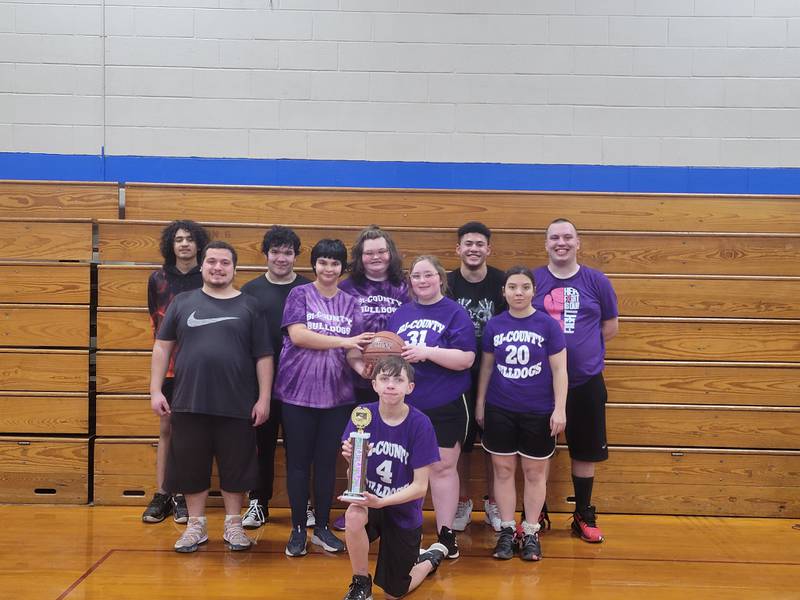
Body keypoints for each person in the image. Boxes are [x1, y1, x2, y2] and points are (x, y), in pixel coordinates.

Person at [150, 241, 274, 553]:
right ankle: (196, 526)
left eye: (225, 263)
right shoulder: (182, 302)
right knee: (191, 466)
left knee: (236, 467)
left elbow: (263, 356)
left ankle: (234, 525)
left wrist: (264, 398)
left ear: (235, 269)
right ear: (203, 266)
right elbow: (162, 347)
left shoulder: (250, 305)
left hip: (237, 403)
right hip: (189, 400)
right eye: (212, 262)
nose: (218, 268)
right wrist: (154, 390)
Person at [274, 239, 373, 557]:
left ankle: (323, 528)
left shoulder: (350, 303)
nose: (328, 268)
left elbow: (353, 353)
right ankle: (298, 529)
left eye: (334, 263)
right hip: (297, 394)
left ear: (342, 268)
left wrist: (365, 369)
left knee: (328, 465)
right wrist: (346, 340)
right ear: (314, 265)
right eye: (322, 262)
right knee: (299, 464)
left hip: (338, 397)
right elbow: (299, 335)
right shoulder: (299, 294)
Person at [533, 218, 619, 543]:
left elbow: (610, 327)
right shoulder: (534, 280)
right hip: (538, 383)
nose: (561, 242)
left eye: (568, 237)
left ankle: (582, 514)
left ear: (578, 242)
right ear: (546, 244)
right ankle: (536, 513)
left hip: (585, 382)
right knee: (537, 451)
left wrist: (583, 352)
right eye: (554, 237)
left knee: (584, 452)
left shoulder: (597, 281)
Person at [475, 267, 567, 561]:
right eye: (512, 287)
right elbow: (486, 368)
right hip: (500, 408)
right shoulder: (494, 325)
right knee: (502, 470)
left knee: (534, 471)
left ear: (533, 291)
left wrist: (560, 408)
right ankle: (505, 529)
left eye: (524, 287)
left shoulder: (548, 325)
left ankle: (530, 531)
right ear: (504, 291)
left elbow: (559, 370)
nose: (518, 292)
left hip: (538, 410)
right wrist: (480, 403)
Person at [387, 255, 475, 559]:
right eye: (416, 276)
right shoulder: (401, 314)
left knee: (442, 468)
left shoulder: (455, 313)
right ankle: (404, 532)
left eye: (428, 275)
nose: (421, 281)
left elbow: (466, 359)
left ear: (440, 278)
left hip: (446, 400)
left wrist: (428, 352)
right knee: (406, 468)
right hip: (406, 404)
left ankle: (446, 536)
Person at [340, 356, 448, 600]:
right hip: (371, 500)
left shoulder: (420, 424)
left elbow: (421, 487)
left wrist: (382, 502)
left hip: (403, 509)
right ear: (375, 384)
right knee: (354, 515)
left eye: (398, 379)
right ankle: (360, 583)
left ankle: (430, 559)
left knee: (394, 594)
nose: (390, 385)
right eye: (384, 379)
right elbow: (353, 479)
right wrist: (352, 462)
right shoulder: (362, 416)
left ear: (409, 387)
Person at [334, 225, 410, 531]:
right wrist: (359, 367)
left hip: (396, 381)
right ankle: (358, 504)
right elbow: (340, 333)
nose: (376, 257)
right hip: (358, 382)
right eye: (369, 252)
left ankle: (394, 508)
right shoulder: (347, 288)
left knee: (395, 445)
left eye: (381, 251)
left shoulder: (404, 287)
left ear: (389, 253)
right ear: (359, 257)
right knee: (359, 446)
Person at [239, 226, 311, 530]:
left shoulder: (309, 289)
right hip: (261, 386)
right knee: (261, 446)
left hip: (302, 386)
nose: (282, 258)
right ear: (266, 254)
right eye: (276, 252)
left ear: (295, 256)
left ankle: (302, 503)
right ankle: (259, 502)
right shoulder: (250, 291)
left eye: (288, 252)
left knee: (300, 447)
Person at [142, 219, 210, 525]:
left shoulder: (207, 277)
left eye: (190, 239)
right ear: (171, 244)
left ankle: (184, 494)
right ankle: (163, 494)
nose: (184, 244)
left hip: (198, 369)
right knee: (167, 429)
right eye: (178, 239)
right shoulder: (157, 279)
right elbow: (157, 326)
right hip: (169, 369)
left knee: (191, 433)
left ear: (199, 244)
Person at [446, 221, 506, 532]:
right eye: (467, 243)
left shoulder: (502, 282)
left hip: (498, 375)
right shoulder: (446, 282)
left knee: (494, 444)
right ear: (458, 249)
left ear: (488, 249)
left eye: (479, 244)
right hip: (455, 374)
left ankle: (493, 502)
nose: (473, 249)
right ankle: (462, 501)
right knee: (461, 444)